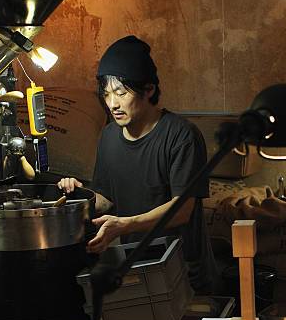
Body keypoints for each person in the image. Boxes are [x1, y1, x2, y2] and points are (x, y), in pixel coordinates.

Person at [58, 35, 220, 294]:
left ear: (149, 90)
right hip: (137, 269)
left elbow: (182, 210)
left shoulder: (182, 135)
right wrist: (80, 195)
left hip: (186, 274)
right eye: (107, 93)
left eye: (121, 93)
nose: (113, 103)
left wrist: (125, 224)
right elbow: (106, 200)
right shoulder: (109, 136)